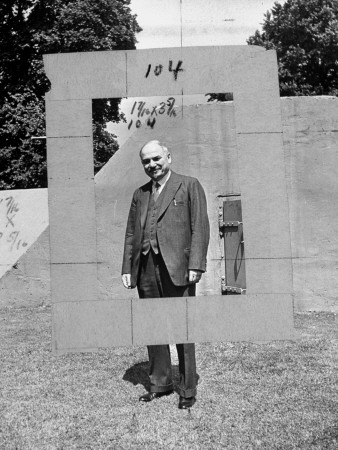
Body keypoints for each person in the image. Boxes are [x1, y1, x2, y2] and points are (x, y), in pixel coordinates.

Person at [121, 140, 209, 409]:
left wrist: (196, 264)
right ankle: (160, 383)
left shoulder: (189, 184)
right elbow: (132, 234)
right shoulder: (140, 194)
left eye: (156, 159)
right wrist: (127, 267)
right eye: (146, 161)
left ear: (169, 156)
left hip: (178, 267)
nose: (152, 165)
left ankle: (187, 389)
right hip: (145, 268)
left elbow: (200, 227)